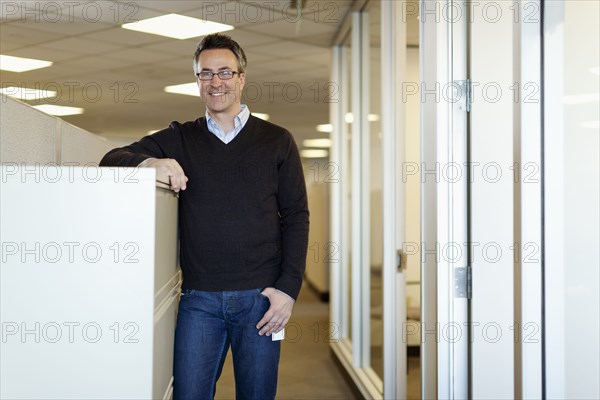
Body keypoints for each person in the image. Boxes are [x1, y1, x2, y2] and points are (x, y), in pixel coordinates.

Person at [100, 33, 309, 399]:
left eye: (225, 72)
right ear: (197, 81)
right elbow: (111, 160)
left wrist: (288, 291)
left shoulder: (277, 140)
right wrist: (152, 162)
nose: (216, 82)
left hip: (260, 299)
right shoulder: (179, 138)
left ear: (242, 78)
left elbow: (296, 216)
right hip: (199, 300)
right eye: (205, 74)